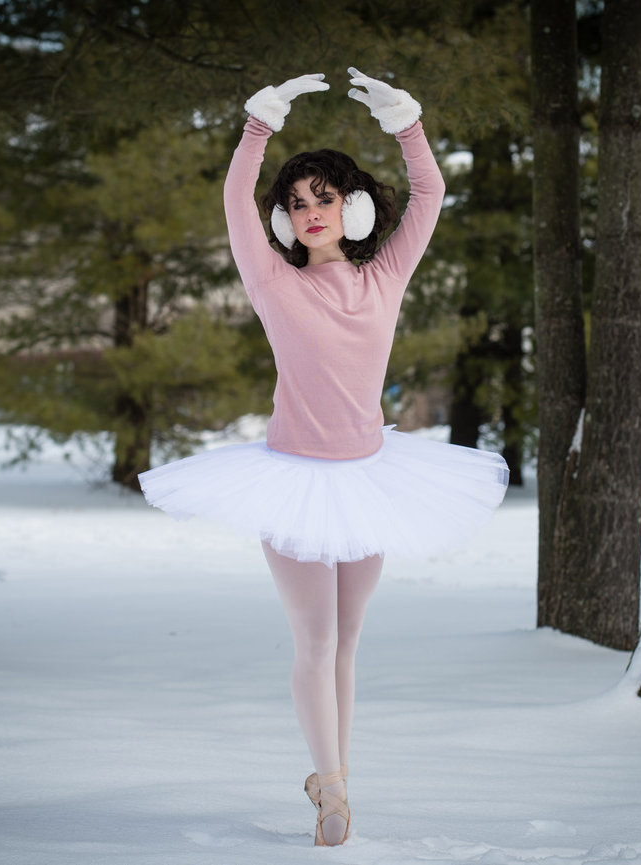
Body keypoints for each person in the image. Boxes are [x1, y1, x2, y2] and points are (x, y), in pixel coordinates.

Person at [138, 68, 508, 846]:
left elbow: (432, 194)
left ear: (354, 208)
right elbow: (235, 202)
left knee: (348, 639)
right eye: (298, 202)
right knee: (314, 639)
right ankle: (333, 793)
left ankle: (333, 773)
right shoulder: (272, 280)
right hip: (294, 482)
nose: (310, 212)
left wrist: (408, 123)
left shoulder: (384, 275)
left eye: (325, 198)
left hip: (371, 479)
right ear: (284, 219)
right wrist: (258, 125)